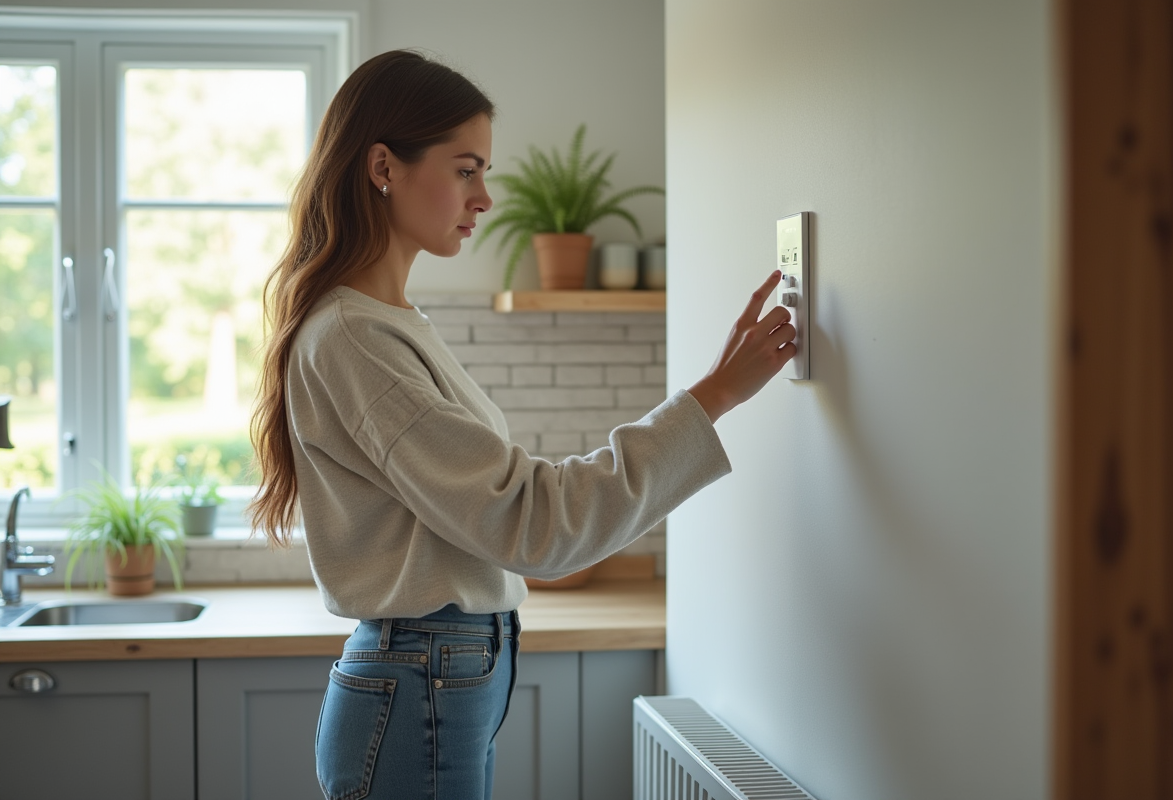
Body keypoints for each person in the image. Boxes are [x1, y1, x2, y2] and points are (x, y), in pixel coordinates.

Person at [249, 49, 797, 800]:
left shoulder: (385, 324)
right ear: (383, 165)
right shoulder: (355, 338)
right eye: (466, 168)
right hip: (423, 677)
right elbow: (532, 521)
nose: (485, 198)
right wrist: (714, 398)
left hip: (435, 675)